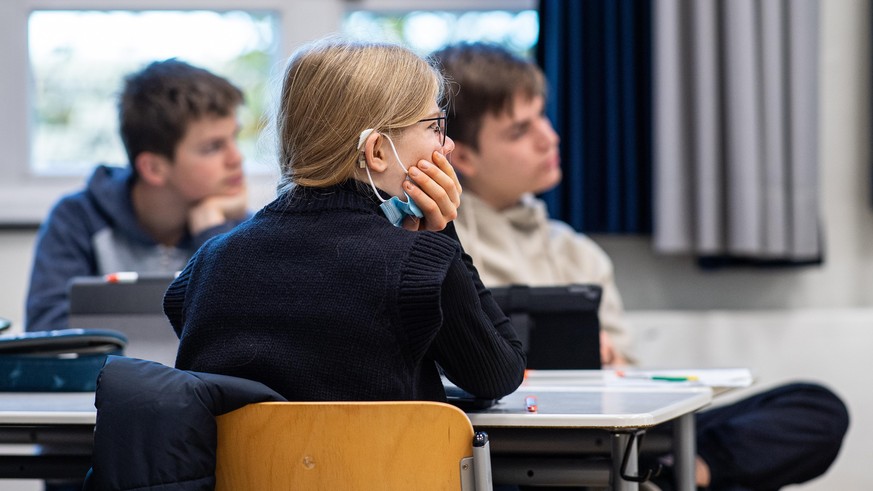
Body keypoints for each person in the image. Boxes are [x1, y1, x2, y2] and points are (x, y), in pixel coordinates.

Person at [432, 42, 849, 491]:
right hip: (500, 439)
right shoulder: (437, 248)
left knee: (816, 408)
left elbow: (630, 379)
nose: (548, 138)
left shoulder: (576, 251)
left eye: (542, 117)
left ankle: (675, 476)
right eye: (519, 130)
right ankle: (669, 479)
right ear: (462, 156)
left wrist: (609, 362)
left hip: (605, 433)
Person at [164, 37, 526, 405]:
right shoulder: (420, 267)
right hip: (377, 465)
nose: (446, 147)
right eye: (435, 128)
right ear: (378, 151)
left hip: (239, 466)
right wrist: (444, 234)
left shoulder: (209, 262)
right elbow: (501, 373)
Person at [25, 59, 250, 333]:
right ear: (153, 168)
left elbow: (245, 337)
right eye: (213, 147)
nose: (236, 158)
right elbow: (48, 339)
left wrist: (212, 231)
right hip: (105, 378)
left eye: (234, 138)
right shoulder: (76, 220)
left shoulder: (237, 228)